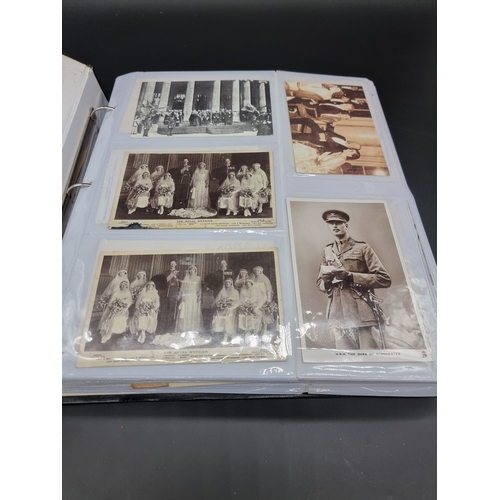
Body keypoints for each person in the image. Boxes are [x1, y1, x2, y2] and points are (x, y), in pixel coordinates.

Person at [317, 209, 391, 350]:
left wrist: (351, 276)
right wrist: (326, 281)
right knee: (346, 358)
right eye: (331, 223)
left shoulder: (363, 248)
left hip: (362, 311)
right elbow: (319, 283)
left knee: (371, 356)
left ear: (346, 225)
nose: (335, 226)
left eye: (338, 222)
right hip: (337, 314)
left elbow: (384, 279)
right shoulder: (327, 251)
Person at [151, 260, 180, 333]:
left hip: (173, 294)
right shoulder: (165, 273)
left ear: (176, 264)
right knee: (163, 311)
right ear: (169, 264)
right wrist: (171, 275)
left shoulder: (178, 273)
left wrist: (178, 293)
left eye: (174, 263)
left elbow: (179, 284)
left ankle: (169, 329)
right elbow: (163, 282)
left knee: (171, 312)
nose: (172, 265)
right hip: (165, 293)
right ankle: (161, 329)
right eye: (171, 263)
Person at [211, 278, 240, 344]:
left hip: (232, 309)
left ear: (231, 284)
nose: (227, 284)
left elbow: (238, 302)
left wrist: (231, 308)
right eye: (226, 283)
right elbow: (217, 301)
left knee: (229, 316)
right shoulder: (222, 291)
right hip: (223, 308)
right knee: (218, 316)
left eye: (229, 283)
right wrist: (221, 306)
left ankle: (226, 336)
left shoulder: (235, 292)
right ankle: (221, 333)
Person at [175, 266, 203, 333]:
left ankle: (192, 328)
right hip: (187, 297)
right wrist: (181, 296)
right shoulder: (186, 278)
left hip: (194, 297)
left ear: (195, 271)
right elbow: (182, 289)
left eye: (193, 270)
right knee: (186, 311)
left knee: (193, 311)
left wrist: (199, 297)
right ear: (189, 271)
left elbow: (199, 289)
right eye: (190, 269)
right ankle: (185, 327)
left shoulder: (198, 278)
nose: (192, 271)